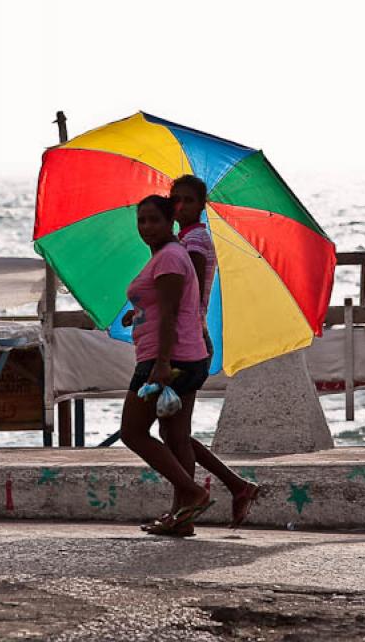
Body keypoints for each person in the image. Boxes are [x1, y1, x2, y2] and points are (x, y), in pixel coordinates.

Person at [159, 174, 259, 529]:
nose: (180, 205)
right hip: (189, 339)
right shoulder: (182, 240)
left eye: (188, 200)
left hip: (187, 342)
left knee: (174, 435)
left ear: (202, 206)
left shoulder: (196, 241)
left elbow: (188, 296)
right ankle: (236, 486)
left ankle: (184, 513)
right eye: (176, 199)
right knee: (173, 434)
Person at [120, 194, 214, 536]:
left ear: (170, 221)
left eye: (153, 220)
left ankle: (192, 493)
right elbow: (165, 305)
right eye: (141, 221)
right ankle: (183, 519)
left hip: (167, 360)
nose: (146, 227)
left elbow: (172, 314)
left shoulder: (171, 258)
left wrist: (160, 363)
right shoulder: (165, 256)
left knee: (132, 432)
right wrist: (139, 312)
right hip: (185, 356)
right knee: (175, 437)